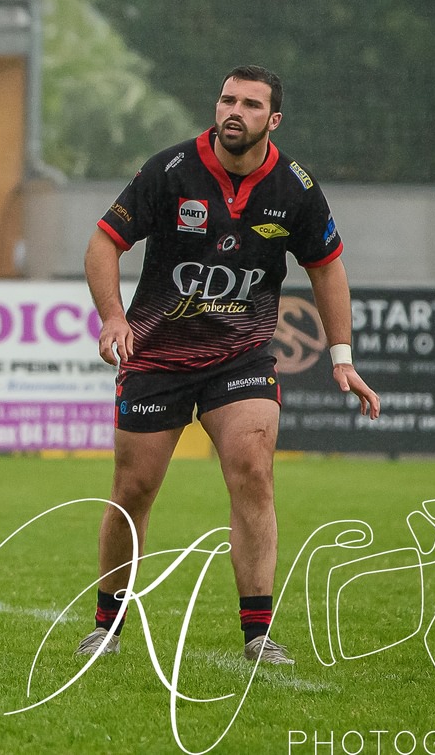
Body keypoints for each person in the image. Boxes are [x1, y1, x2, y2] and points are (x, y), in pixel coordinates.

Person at [75, 66, 381, 665]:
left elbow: (327, 267)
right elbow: (102, 242)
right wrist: (113, 317)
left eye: (249, 103)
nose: (232, 110)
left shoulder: (294, 188)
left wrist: (341, 357)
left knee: (252, 471)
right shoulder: (169, 171)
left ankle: (258, 635)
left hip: (239, 358)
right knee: (132, 490)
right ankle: (107, 624)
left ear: (274, 119)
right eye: (225, 99)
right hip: (156, 354)